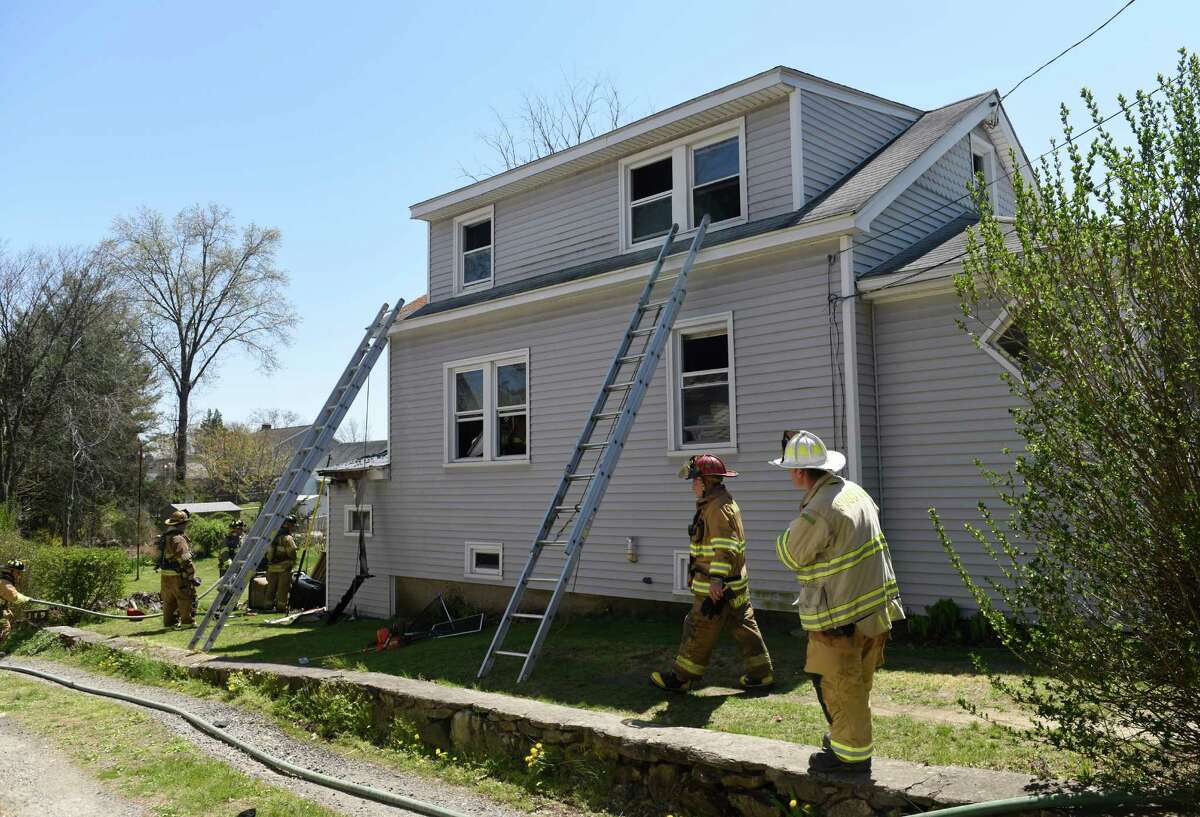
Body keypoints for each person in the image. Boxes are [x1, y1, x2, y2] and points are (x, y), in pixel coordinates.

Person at [772, 430, 904, 774]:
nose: (789, 475)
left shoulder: (820, 508)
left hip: (839, 617)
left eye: (790, 469)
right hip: (874, 610)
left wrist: (789, 533)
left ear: (801, 473)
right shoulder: (855, 492)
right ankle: (847, 740)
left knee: (838, 686)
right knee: (857, 685)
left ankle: (849, 758)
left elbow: (790, 553)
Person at [651, 454, 773, 693]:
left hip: (716, 587)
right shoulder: (724, 502)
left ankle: (682, 678)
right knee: (744, 627)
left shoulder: (715, 509)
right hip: (735, 583)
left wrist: (716, 580)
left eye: (695, 480)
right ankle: (762, 674)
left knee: (698, 627)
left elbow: (724, 548)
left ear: (706, 481)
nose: (693, 485)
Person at [158, 510, 199, 628]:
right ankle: (187, 622)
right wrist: (191, 572)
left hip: (165, 575)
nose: (186, 525)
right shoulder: (178, 539)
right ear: (181, 524)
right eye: (185, 523)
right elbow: (184, 558)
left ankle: (170, 623)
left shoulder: (165, 537)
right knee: (185, 596)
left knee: (169, 600)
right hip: (178, 575)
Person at [265, 515, 298, 613]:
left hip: (271, 568)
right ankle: (281, 607)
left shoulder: (271, 536)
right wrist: (293, 561)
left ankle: (267, 606)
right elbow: (292, 553)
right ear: (287, 525)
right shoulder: (287, 538)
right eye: (292, 525)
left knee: (270, 588)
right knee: (282, 589)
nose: (293, 527)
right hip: (283, 568)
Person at [0, 560, 31, 642]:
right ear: (11, 571)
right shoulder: (5, 584)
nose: (19, 576)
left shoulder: (4, 582)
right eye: (18, 573)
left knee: (9, 618)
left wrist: (5, 609)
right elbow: (14, 597)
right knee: (5, 627)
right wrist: (26, 599)